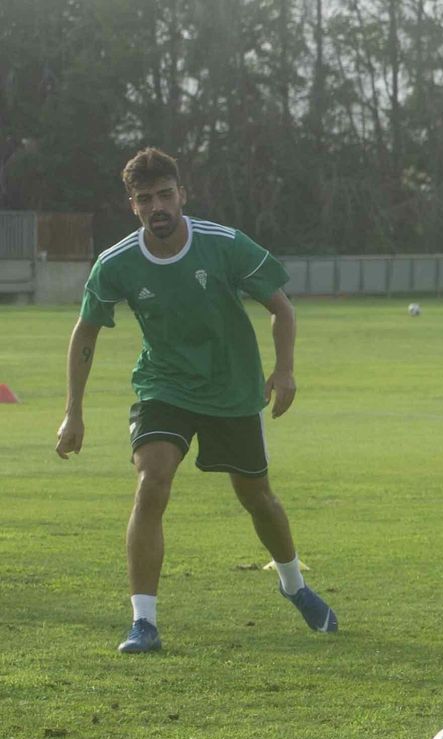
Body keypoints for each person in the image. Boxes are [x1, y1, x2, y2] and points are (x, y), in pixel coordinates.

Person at [54, 147, 337, 653]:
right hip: (164, 386)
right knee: (151, 481)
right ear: (132, 205)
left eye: (166, 194)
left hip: (231, 386)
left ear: (182, 194)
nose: (157, 205)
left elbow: (281, 307)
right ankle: (144, 622)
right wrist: (73, 412)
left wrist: (286, 370)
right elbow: (86, 332)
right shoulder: (116, 263)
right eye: (146, 199)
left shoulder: (224, 246)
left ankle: (294, 585)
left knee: (257, 498)